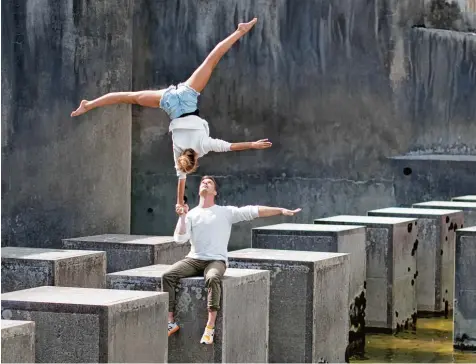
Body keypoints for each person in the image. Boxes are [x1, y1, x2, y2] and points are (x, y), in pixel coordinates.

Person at [70, 18, 272, 211]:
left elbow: (230, 147)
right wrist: (178, 202)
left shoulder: (203, 146)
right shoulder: (178, 155)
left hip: (188, 97)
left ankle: (240, 31)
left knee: (212, 59)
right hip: (170, 104)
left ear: (197, 161)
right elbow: (180, 182)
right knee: (127, 96)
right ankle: (89, 105)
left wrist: (252, 144)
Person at [164, 175, 301, 344]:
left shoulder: (225, 212)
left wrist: (280, 210)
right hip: (194, 259)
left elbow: (254, 210)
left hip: (216, 260)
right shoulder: (191, 214)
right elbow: (179, 239)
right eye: (202, 182)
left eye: (209, 182)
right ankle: (170, 322)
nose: (205, 183)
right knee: (168, 275)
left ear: (215, 191)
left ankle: (210, 327)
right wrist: (182, 216)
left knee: (213, 277)